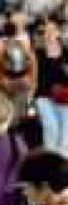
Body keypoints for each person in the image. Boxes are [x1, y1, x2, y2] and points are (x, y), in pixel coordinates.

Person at [35, 17, 68, 154]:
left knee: (65, 132)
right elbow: (35, 76)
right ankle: (50, 161)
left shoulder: (66, 52)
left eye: (52, 30)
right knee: (51, 129)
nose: (49, 34)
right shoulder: (38, 53)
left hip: (64, 97)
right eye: (46, 31)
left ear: (58, 32)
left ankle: (63, 164)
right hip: (44, 96)